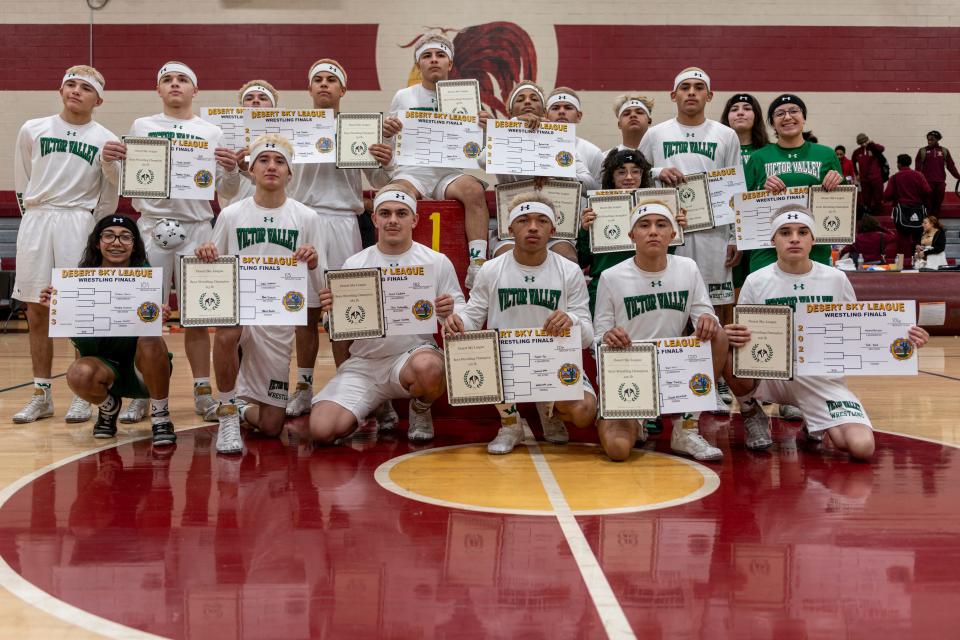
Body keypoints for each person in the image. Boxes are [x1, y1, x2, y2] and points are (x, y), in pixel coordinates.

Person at [723, 205, 929, 460]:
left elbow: (860, 327)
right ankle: (750, 410)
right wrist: (731, 334)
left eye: (802, 232)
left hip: (820, 379)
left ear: (814, 239)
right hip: (772, 378)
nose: (794, 238)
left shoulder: (836, 279)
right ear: (773, 240)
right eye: (785, 232)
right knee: (725, 343)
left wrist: (903, 337)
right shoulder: (756, 280)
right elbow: (746, 335)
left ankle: (816, 420)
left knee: (861, 447)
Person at [104, 61, 241, 421]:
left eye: (183, 80)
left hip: (197, 229)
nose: (175, 84)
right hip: (150, 226)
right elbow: (125, 179)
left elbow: (227, 191)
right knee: (145, 316)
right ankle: (142, 392)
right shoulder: (141, 127)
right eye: (167, 79)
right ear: (158, 89)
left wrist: (230, 170)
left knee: (198, 316)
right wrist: (110, 163)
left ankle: (201, 390)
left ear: (195, 90)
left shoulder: (211, 132)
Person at [193, 134, 326, 454]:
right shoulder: (231, 214)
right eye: (264, 160)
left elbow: (320, 280)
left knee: (270, 426)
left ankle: (239, 406)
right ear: (250, 170)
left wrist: (312, 260)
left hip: (278, 319)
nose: (271, 166)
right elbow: (214, 266)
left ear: (290, 174)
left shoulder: (307, 217)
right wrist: (206, 253)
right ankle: (226, 413)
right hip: (240, 309)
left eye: (280, 161)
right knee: (226, 331)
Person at [283, 58, 395, 419]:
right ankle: (303, 385)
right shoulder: (291, 130)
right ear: (310, 89)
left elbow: (379, 184)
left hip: (345, 220)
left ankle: (353, 381)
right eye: (318, 79)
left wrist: (383, 160)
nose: (324, 84)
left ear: (343, 90)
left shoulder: (358, 129)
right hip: (303, 219)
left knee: (348, 312)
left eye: (332, 79)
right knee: (306, 310)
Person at [310, 186, 464, 444]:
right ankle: (377, 405)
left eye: (401, 213)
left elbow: (460, 312)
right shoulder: (355, 264)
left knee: (430, 368)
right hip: (364, 364)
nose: (393, 220)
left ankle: (420, 409)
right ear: (375, 219)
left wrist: (450, 312)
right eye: (385, 213)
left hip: (410, 358)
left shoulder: (436, 261)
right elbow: (340, 326)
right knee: (321, 431)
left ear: (414, 219)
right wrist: (330, 314)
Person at [444, 194, 596, 454]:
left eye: (541, 220)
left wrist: (570, 320)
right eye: (524, 220)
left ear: (553, 229)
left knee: (584, 411)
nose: (533, 227)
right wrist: (457, 321)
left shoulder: (569, 271)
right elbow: (473, 318)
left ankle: (549, 410)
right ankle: (510, 422)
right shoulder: (490, 270)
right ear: (510, 229)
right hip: (507, 360)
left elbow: (587, 336)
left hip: (554, 360)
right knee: (474, 351)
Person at [12, 65, 121, 424]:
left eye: (85, 88)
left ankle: (81, 395)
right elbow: (22, 179)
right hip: (38, 219)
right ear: (61, 91)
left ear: (98, 99)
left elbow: (110, 195)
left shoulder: (105, 138)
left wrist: (90, 227)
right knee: (36, 310)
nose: (76, 91)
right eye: (70, 85)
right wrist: (33, 216)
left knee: (78, 312)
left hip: (78, 220)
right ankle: (41, 393)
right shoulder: (33, 128)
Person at [639, 67, 741, 416]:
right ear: (674, 95)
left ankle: (713, 381)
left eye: (699, 88)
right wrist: (656, 172)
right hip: (668, 230)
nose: (692, 93)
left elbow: (735, 185)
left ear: (709, 96)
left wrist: (735, 235)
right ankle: (674, 377)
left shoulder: (726, 134)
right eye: (685, 87)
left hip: (712, 231)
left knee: (713, 309)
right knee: (674, 302)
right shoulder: (655, 133)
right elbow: (635, 170)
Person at [593, 202, 727, 461]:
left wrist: (709, 319)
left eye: (661, 225)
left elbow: (705, 314)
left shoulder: (688, 267)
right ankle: (638, 419)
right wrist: (607, 337)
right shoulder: (611, 277)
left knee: (718, 335)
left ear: (673, 234)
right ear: (632, 236)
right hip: (630, 369)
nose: (653, 231)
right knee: (618, 451)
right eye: (644, 225)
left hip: (673, 365)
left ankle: (685, 428)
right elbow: (598, 337)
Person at [39, 215, 175, 445]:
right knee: (78, 373)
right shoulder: (80, 279)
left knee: (151, 340)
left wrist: (158, 315)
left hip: (144, 371)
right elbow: (82, 345)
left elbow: (149, 324)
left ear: (134, 245)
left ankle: (161, 415)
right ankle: (108, 408)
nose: (116, 242)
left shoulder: (144, 275)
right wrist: (59, 310)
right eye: (109, 235)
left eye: (125, 237)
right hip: (105, 370)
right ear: (97, 242)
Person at [382, 34, 492, 288]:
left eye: (440, 55)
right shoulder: (403, 96)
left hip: (448, 171)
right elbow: (389, 141)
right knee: (392, 195)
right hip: (413, 171)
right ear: (418, 64)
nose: (434, 60)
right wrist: (386, 132)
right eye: (427, 56)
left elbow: (479, 152)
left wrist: (486, 129)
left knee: (474, 190)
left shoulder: (465, 97)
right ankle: (390, 261)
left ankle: (478, 263)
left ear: (450, 64)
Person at [744, 94, 843, 273]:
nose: (787, 117)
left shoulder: (826, 155)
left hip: (814, 245)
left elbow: (840, 205)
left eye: (794, 111)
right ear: (772, 123)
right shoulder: (758, 157)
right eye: (779, 113)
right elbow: (741, 206)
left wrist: (838, 185)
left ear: (803, 118)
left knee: (813, 298)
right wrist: (761, 191)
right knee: (767, 299)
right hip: (767, 246)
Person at [884, 154, 931, 259]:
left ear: (899, 164)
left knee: (903, 238)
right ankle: (918, 260)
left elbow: (887, 195)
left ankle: (906, 260)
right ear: (910, 163)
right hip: (918, 210)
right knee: (918, 237)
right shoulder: (919, 175)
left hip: (902, 212)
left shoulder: (895, 178)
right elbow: (927, 191)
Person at [915, 130, 960, 217]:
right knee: (928, 205)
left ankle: (936, 224)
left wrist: (958, 176)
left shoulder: (944, 151)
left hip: (940, 182)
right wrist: (918, 182)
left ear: (937, 140)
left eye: (932, 139)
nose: (929, 141)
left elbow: (950, 166)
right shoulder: (922, 151)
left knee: (937, 205)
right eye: (928, 139)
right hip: (927, 183)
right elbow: (918, 169)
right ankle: (928, 226)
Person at [720, 93, 769, 165]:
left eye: (747, 109)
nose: (740, 113)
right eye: (734, 109)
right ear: (727, 117)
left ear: (756, 116)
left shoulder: (769, 151)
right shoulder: (717, 150)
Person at [851, 133, 886, 214]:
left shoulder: (874, 148)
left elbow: (882, 148)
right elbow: (853, 162)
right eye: (861, 142)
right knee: (866, 197)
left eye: (864, 141)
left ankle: (879, 213)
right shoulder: (857, 152)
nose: (863, 144)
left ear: (867, 140)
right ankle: (868, 213)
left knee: (878, 196)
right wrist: (856, 174)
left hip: (876, 178)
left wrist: (872, 144)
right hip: (864, 179)